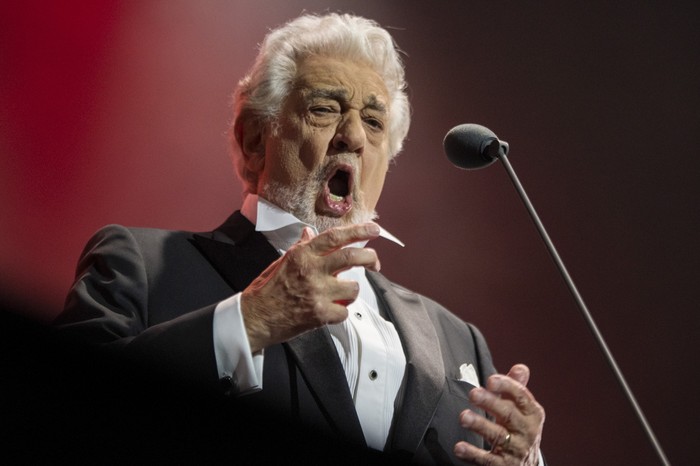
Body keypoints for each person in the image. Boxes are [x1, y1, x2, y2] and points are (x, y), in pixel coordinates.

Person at [56, 13, 545, 465]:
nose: (353, 135)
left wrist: (526, 461)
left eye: (373, 122)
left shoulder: (458, 339)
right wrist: (249, 321)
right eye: (325, 108)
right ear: (253, 141)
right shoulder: (144, 266)